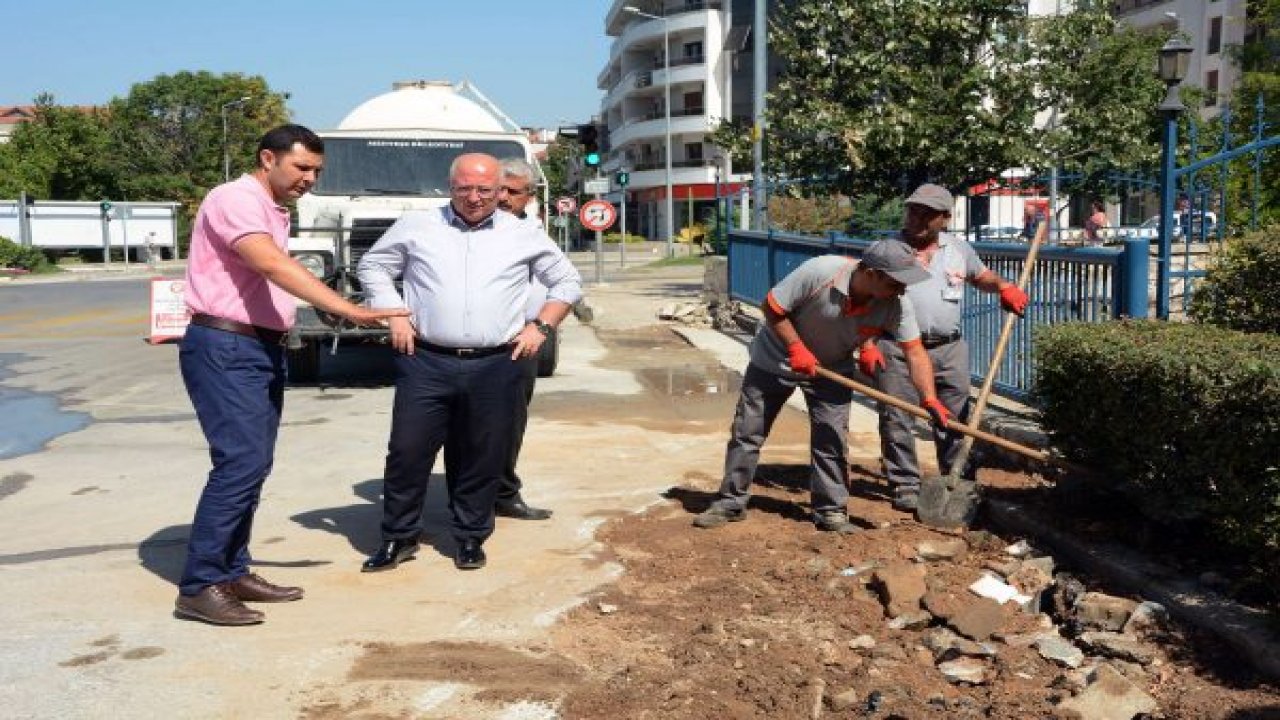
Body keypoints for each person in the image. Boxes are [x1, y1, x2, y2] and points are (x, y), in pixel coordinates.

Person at [175, 125, 409, 626]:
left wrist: (313, 309)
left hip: (256, 346)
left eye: (317, 172)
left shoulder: (272, 208)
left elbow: (271, 276)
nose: (309, 179)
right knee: (239, 464)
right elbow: (270, 265)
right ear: (268, 158)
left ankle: (232, 570)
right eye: (302, 168)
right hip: (227, 346)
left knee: (253, 464)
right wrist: (347, 307)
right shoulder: (236, 198)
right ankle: (200, 585)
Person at [357, 153, 582, 573]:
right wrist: (393, 312)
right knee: (408, 451)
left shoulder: (523, 233)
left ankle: (470, 537)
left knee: (482, 454)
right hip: (425, 360)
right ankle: (399, 537)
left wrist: (541, 327)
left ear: (500, 190)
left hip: (496, 363)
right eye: (464, 189)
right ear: (450, 188)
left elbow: (567, 281)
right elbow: (373, 265)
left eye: (484, 190)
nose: (474, 198)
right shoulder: (418, 225)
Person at [692, 238, 949, 534]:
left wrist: (929, 398)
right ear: (871, 274)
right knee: (748, 432)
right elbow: (772, 307)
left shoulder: (896, 303)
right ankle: (729, 502)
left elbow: (914, 352)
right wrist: (796, 348)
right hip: (774, 361)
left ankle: (831, 512)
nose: (902, 290)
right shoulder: (820, 272)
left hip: (831, 369)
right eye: (895, 283)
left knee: (832, 439)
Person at [865, 183, 1028, 512]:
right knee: (897, 417)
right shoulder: (886, 250)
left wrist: (1003, 287)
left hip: (948, 348)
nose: (917, 219)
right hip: (896, 347)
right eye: (913, 211)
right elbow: (864, 298)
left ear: (945, 218)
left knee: (955, 417)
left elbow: (981, 276)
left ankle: (957, 480)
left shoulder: (957, 249)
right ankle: (905, 484)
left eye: (927, 214)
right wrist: (867, 343)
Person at [442, 157, 553, 521]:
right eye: (499, 189)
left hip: (521, 341)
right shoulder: (465, 229)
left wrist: (541, 326)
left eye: (513, 192)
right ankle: (462, 500)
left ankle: (504, 492)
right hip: (471, 344)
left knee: (509, 423)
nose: (503, 197)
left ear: (529, 196)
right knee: (462, 426)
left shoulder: (533, 232)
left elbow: (561, 283)